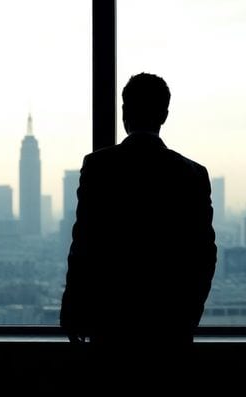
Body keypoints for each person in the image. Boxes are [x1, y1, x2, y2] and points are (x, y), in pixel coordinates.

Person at [60, 73, 217, 348]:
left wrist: (74, 312)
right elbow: (204, 254)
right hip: (169, 326)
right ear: (164, 115)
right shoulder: (192, 174)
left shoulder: (99, 167)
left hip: (112, 323)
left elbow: (85, 245)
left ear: (124, 112)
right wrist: (187, 317)